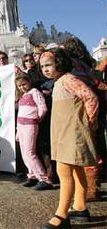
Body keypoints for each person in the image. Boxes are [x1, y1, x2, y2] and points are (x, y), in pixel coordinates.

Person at [40, 49, 99, 228]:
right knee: (75, 170)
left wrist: (90, 121)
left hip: (72, 132)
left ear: (60, 62)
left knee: (64, 171)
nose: (45, 69)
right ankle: (80, 207)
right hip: (64, 132)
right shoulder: (58, 82)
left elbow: (91, 97)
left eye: (49, 65)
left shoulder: (68, 80)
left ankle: (62, 215)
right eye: (42, 66)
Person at [15, 74, 52, 190]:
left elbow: (43, 107)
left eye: (24, 84)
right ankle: (32, 176)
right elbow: (20, 113)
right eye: (19, 86)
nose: (22, 87)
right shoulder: (23, 96)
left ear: (29, 82)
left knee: (30, 152)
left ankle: (44, 179)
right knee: (24, 153)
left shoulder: (34, 92)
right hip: (21, 126)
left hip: (30, 125)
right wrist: (17, 131)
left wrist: (37, 118)